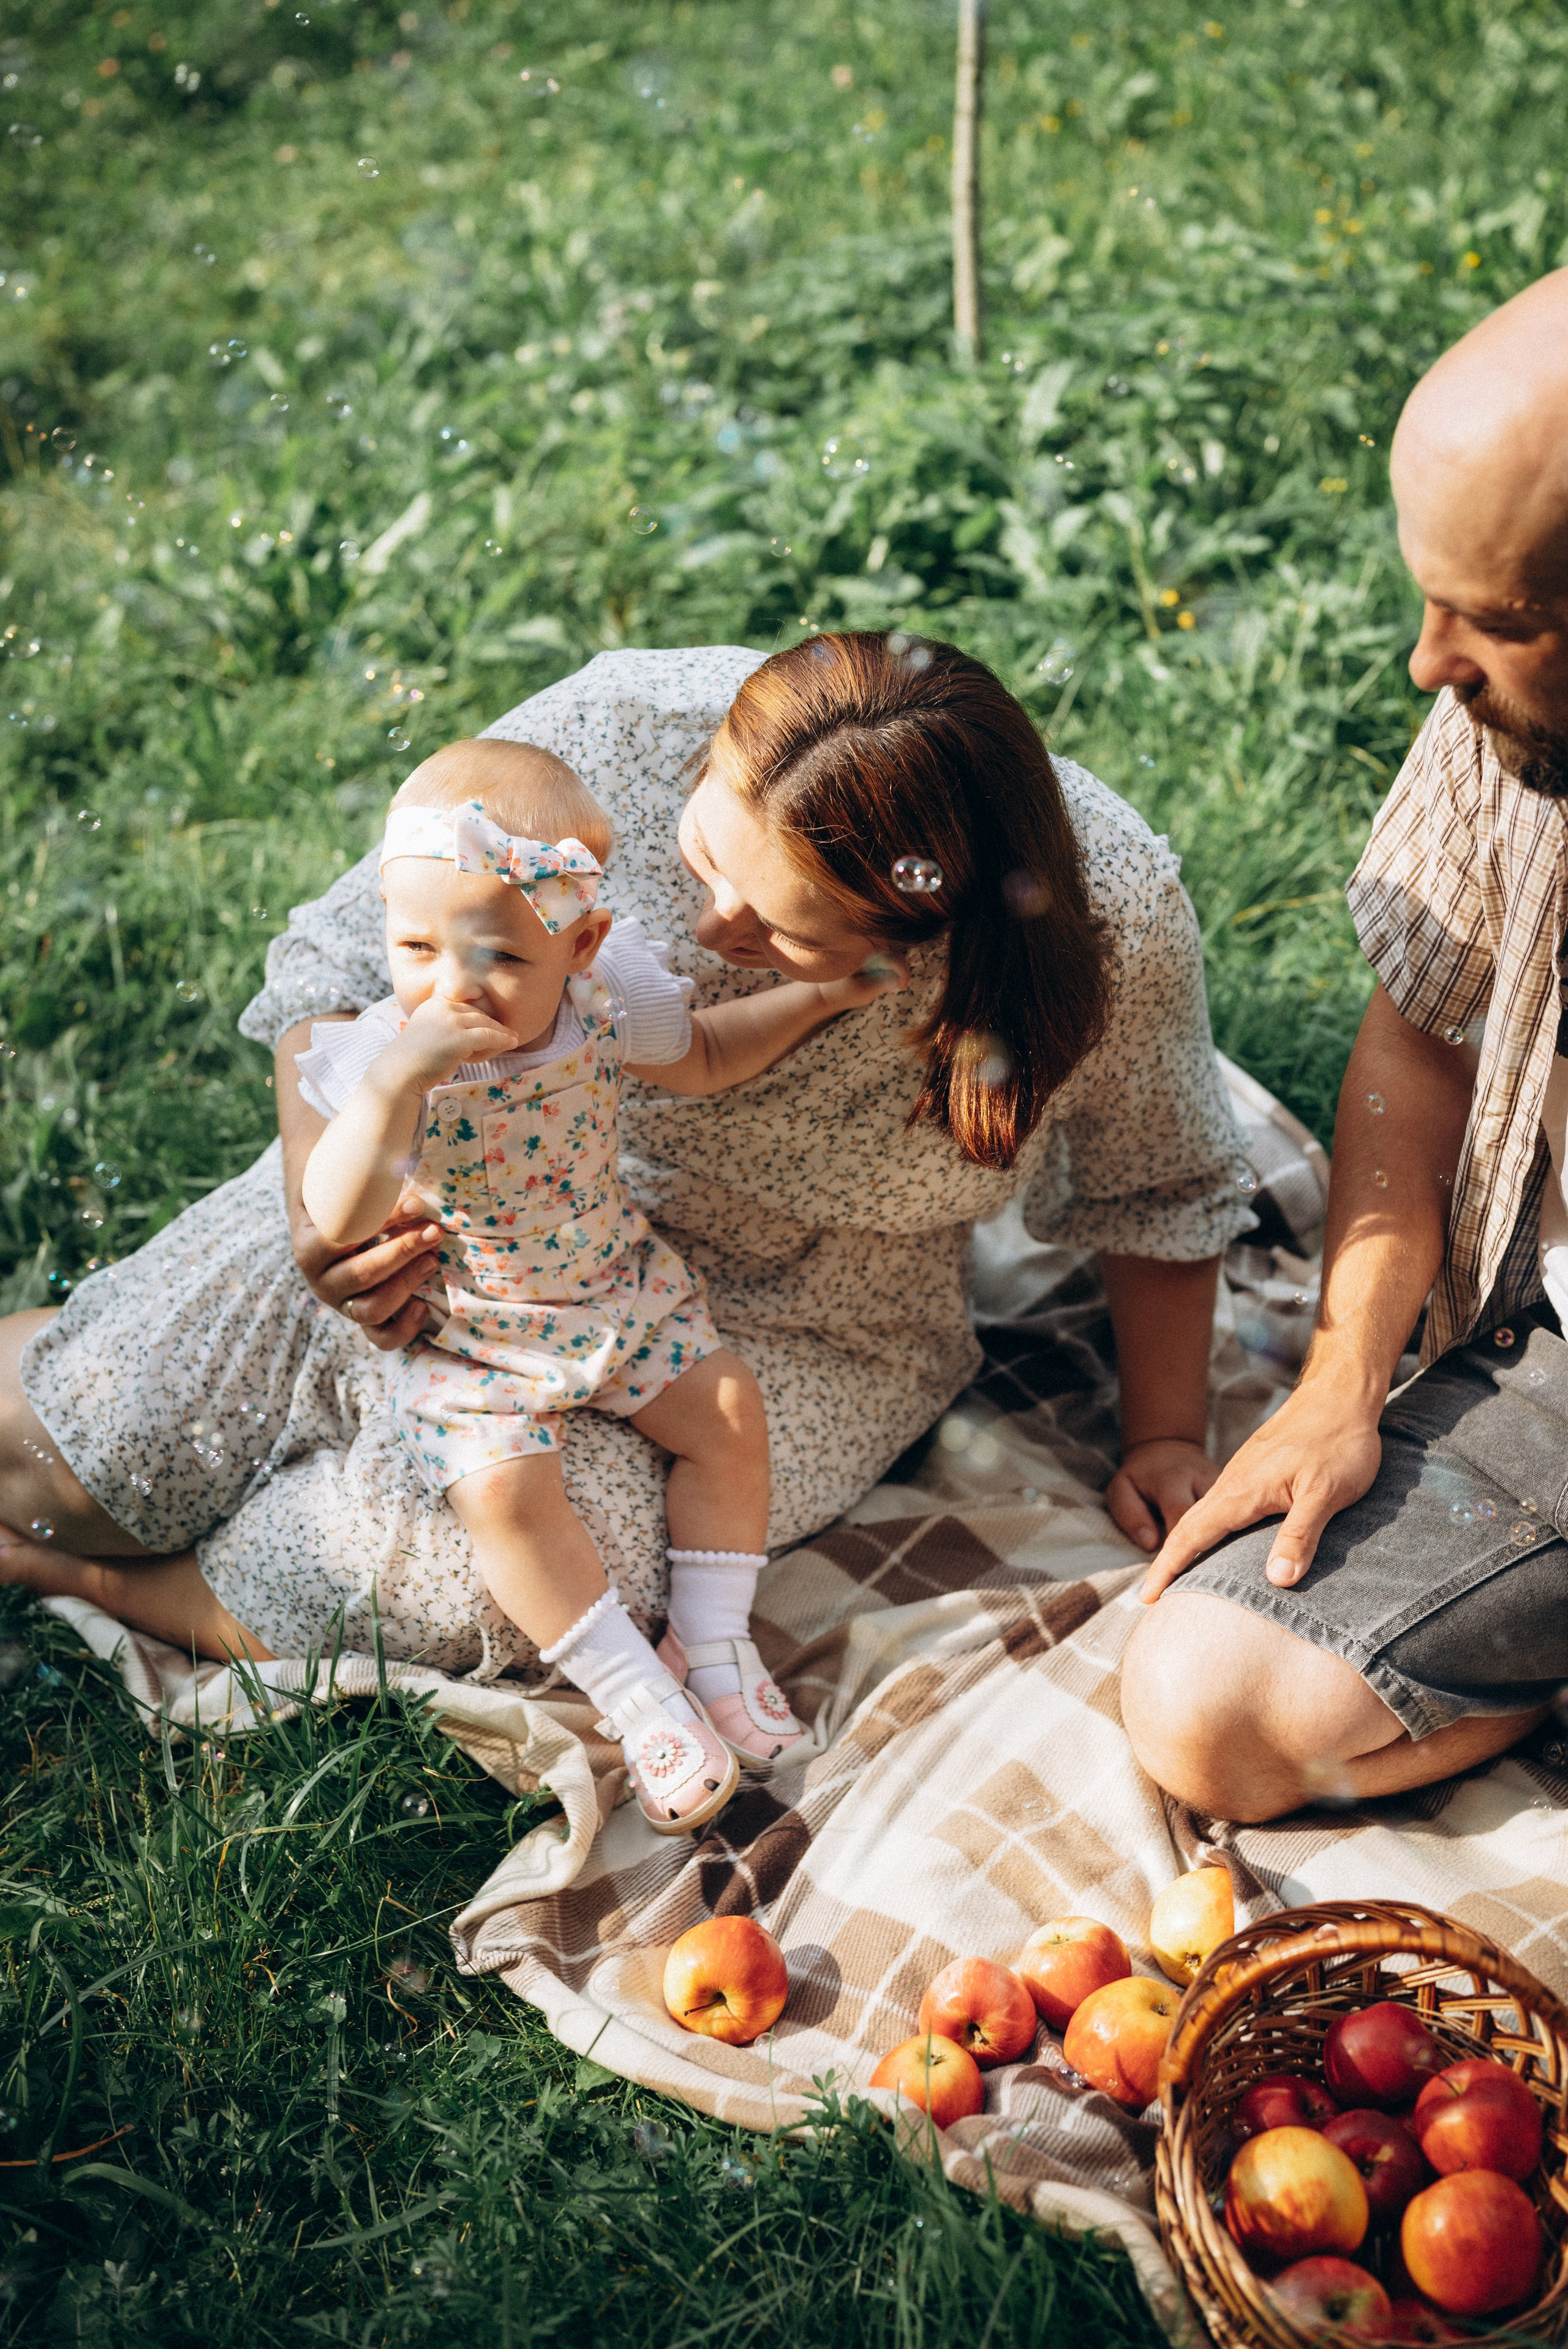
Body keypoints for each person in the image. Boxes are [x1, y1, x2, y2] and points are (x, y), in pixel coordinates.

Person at [0, 633, 1251, 1704]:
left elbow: (1158, 1181)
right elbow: (336, 972)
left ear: (926, 940)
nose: (711, 933)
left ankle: (92, 1583)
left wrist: (1159, 1434)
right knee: (87, 1451)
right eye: (704, 860)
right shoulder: (607, 738)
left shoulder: (1104, 918)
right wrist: (320, 1222)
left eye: (778, 931)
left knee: (431, 1577)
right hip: (471, 1203)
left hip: (804, 1318)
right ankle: (86, 1489)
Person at [1123, 268, 1568, 1823]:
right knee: (1206, 1710)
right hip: (1550, 1365)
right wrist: (1342, 1376)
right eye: (1427, 594)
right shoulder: (1511, 722)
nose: (1425, 664)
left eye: (1497, 617)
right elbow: (1421, 1042)